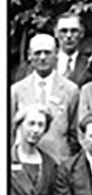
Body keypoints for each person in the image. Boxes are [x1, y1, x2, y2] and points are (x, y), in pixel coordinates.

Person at [11, 33, 79, 163]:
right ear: (29, 55)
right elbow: (10, 131)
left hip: (59, 162)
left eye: (47, 52)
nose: (42, 57)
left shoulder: (71, 90)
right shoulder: (17, 90)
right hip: (24, 163)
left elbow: (74, 133)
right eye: (37, 53)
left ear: (56, 54)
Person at [52, 12, 92, 85]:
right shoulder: (47, 61)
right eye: (63, 31)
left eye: (74, 31)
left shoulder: (89, 64)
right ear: (55, 33)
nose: (69, 35)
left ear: (82, 33)